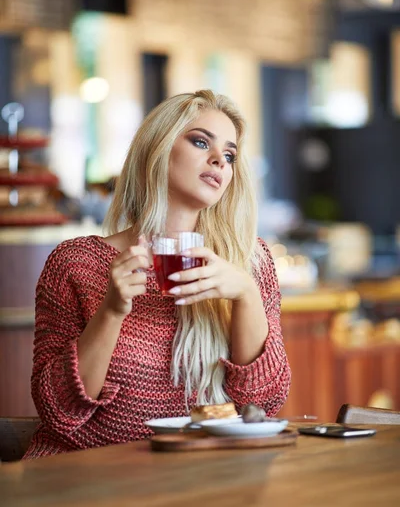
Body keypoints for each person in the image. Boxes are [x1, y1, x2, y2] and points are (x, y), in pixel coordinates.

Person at [24, 89, 291, 459]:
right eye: (201, 142)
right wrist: (112, 311)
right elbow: (58, 412)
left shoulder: (249, 262)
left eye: (229, 155)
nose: (219, 161)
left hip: (193, 478)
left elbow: (265, 403)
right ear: (158, 148)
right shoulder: (77, 262)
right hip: (85, 478)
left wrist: (246, 295)